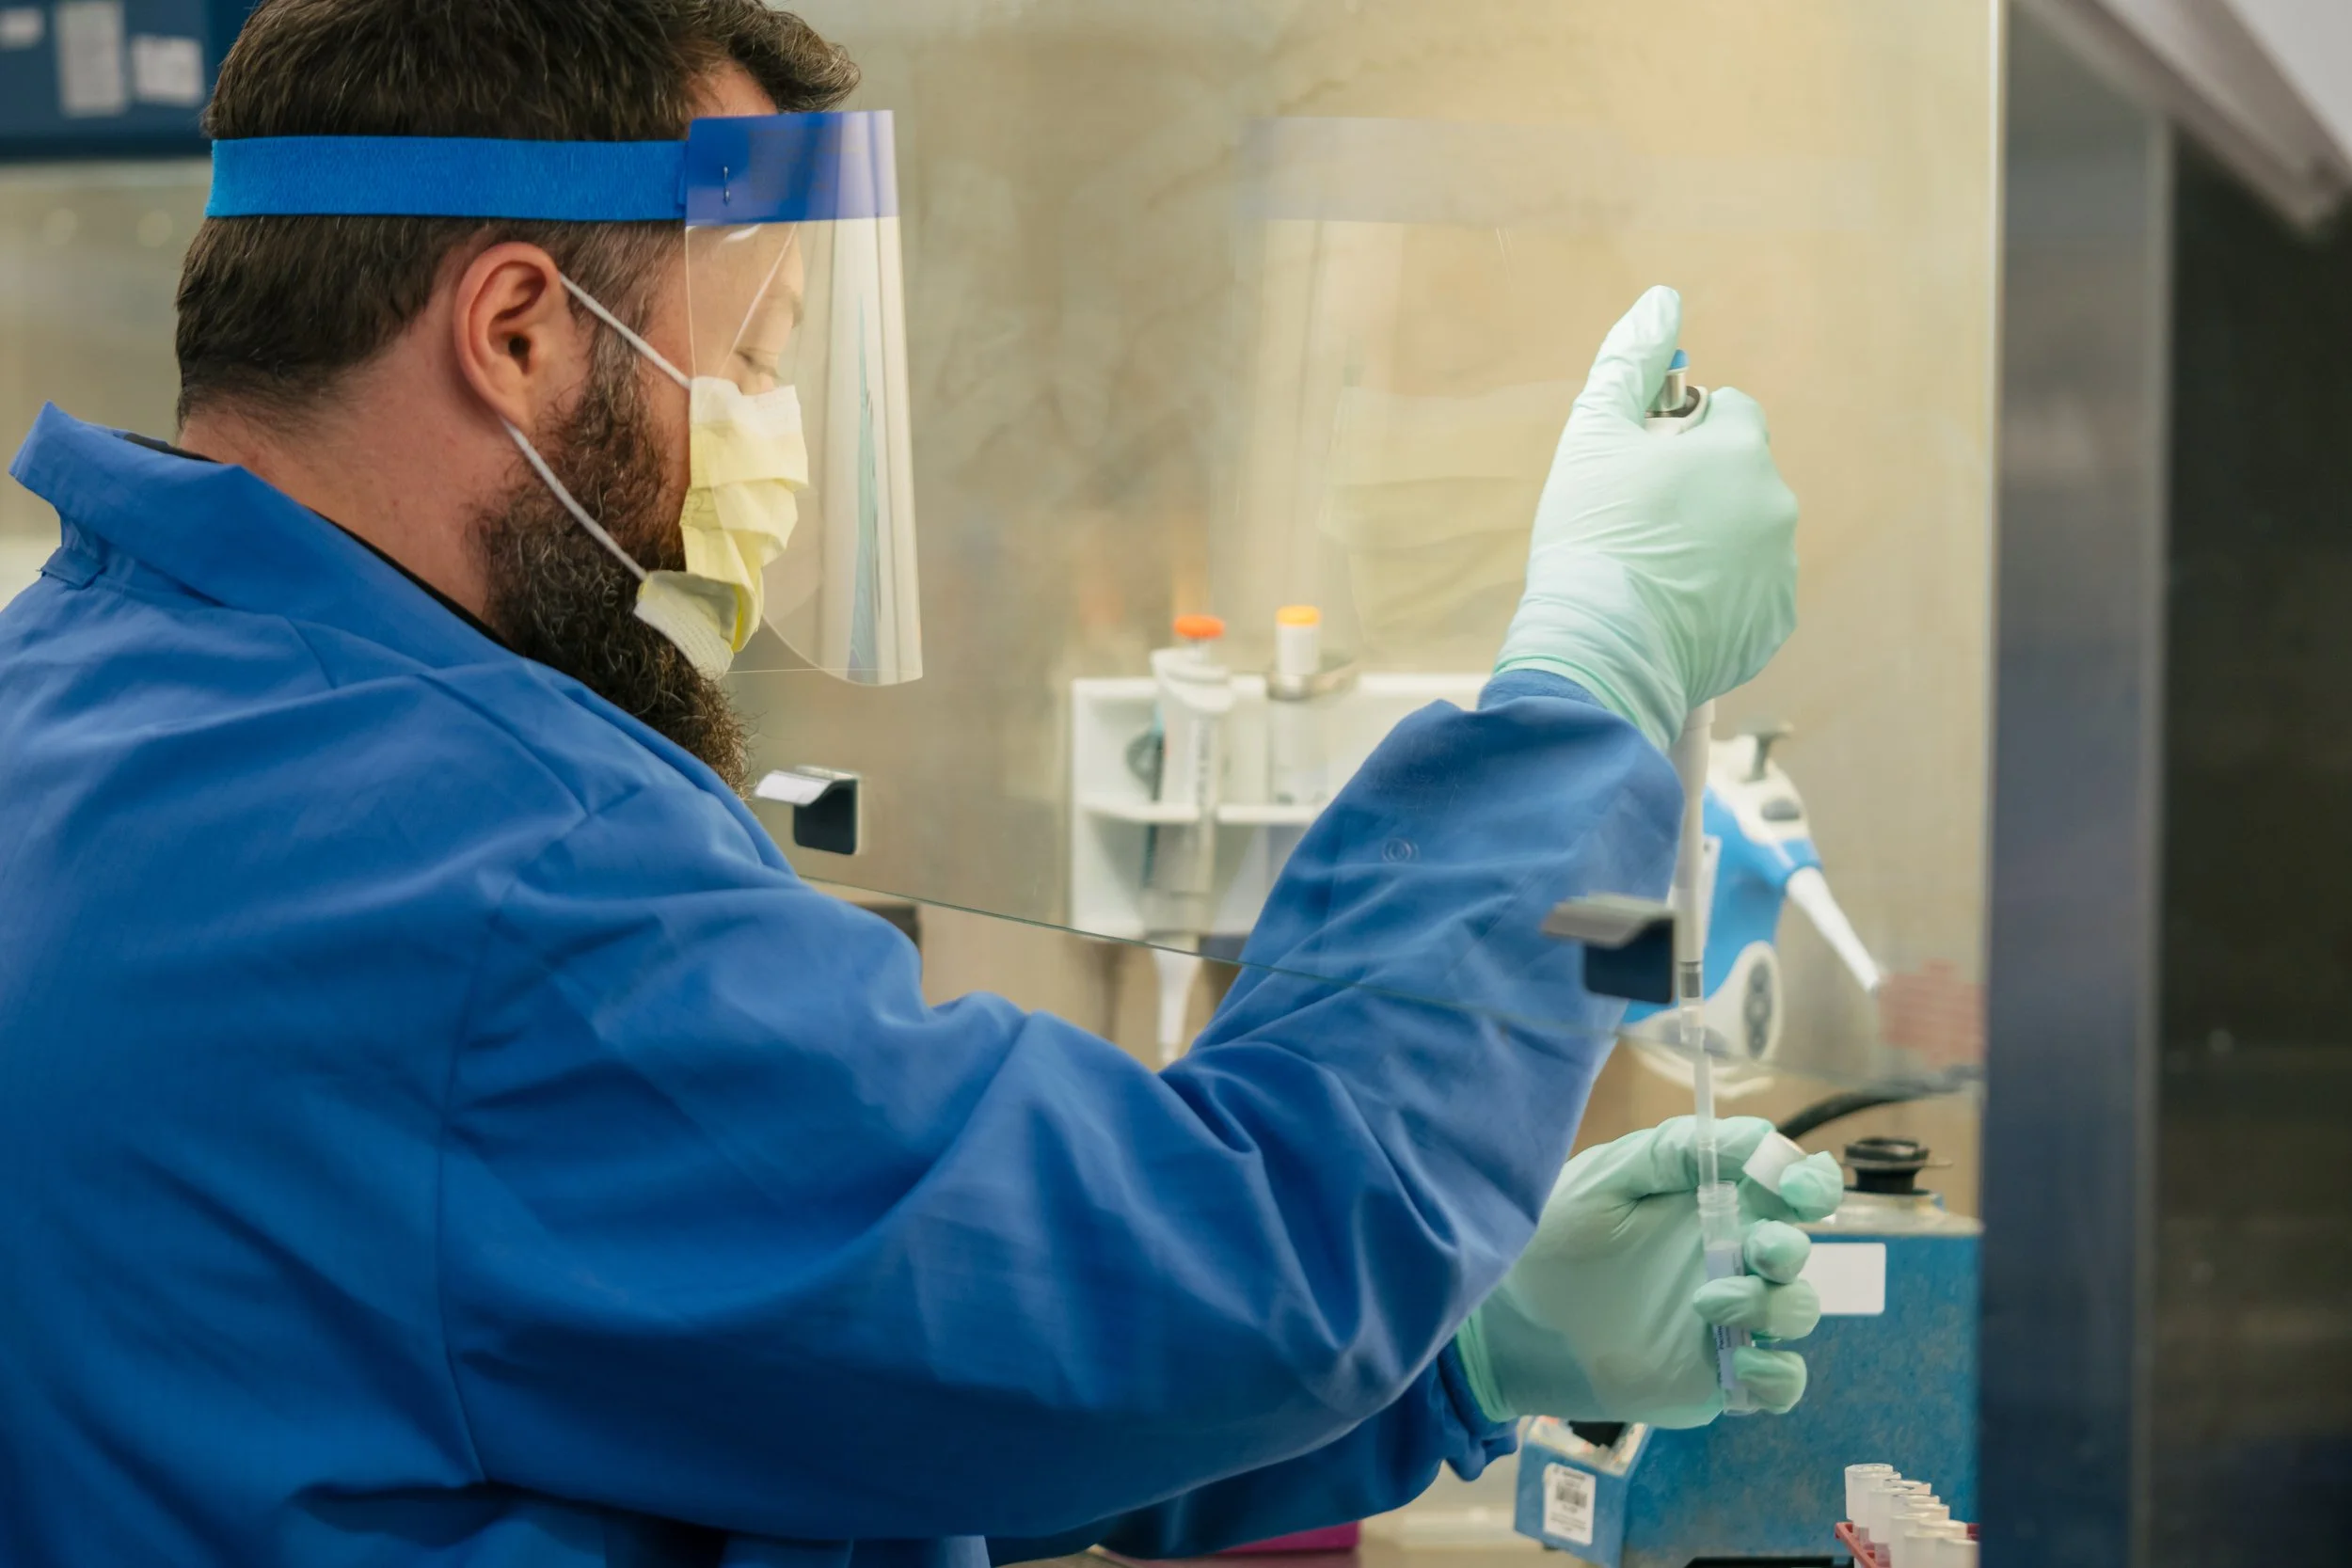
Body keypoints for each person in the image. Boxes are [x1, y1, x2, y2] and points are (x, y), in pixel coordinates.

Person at [0, 4, 1827, 1565]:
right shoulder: (475, 875)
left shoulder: (98, 716)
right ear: (520, 333)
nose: (775, 446)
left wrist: (1458, 1361)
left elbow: (780, 1387)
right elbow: (1213, 1275)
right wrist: (1591, 679)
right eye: (758, 351)